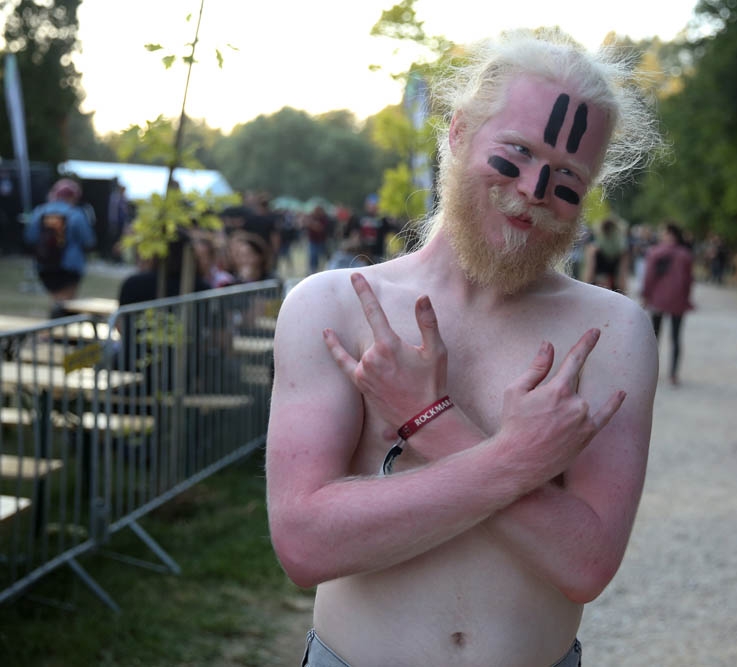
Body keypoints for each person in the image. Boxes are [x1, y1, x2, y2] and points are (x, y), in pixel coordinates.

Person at [266, 28, 661, 667]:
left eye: (567, 175)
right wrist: (519, 460)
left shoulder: (612, 332)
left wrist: (431, 424)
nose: (534, 187)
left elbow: (585, 564)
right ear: (457, 133)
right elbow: (305, 545)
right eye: (517, 151)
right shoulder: (334, 305)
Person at [23, 178, 96, 317]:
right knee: (66, 303)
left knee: (57, 300)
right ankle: (59, 326)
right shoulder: (76, 214)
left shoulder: (40, 212)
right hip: (70, 266)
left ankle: (56, 324)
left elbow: (30, 237)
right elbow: (88, 240)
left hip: (45, 264)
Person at [641, 222, 694, 385]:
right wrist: (686, 298)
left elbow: (649, 276)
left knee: (655, 337)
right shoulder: (685, 255)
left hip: (658, 300)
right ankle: (673, 374)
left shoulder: (655, 252)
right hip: (678, 301)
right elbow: (689, 280)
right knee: (676, 337)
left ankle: (650, 371)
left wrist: (646, 294)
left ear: (668, 235)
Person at [582, 217, 629, 292]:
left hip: (597, 288)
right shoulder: (622, 250)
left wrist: (585, 291)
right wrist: (624, 294)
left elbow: (589, 273)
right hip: (613, 289)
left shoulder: (593, 249)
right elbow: (622, 277)